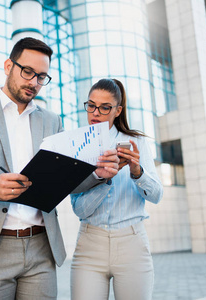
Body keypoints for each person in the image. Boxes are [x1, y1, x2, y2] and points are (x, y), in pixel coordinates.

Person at [0, 37, 118, 300]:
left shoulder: (51, 120)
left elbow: (64, 182)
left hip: (40, 247)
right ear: (8, 65)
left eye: (42, 76)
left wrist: (95, 174)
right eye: (27, 72)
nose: (34, 82)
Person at [70, 78, 164, 300]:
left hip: (131, 242)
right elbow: (79, 210)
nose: (95, 112)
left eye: (105, 107)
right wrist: (102, 178)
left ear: (118, 110)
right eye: (91, 105)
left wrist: (136, 172)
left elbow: (157, 195)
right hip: (90, 244)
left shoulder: (136, 143)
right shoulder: (77, 146)